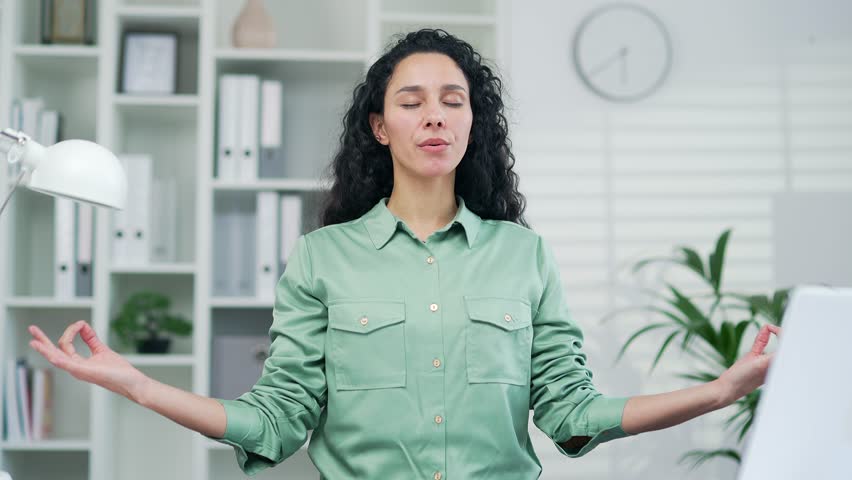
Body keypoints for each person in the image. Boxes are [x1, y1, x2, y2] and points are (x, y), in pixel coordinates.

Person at [27, 29, 781, 479]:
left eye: (454, 101)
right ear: (380, 127)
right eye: (412, 100)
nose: (434, 116)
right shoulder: (322, 260)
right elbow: (276, 420)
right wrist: (138, 384)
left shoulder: (524, 257)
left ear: (473, 126)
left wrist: (720, 391)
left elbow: (571, 412)